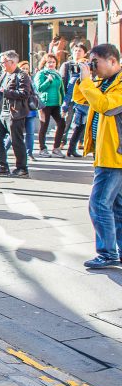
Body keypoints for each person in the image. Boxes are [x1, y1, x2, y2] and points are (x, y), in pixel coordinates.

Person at [71, 44, 122, 268]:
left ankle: (107, 253)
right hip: (107, 154)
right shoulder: (105, 82)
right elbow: (81, 100)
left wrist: (87, 81)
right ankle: (115, 250)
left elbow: (103, 106)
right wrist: (83, 79)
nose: (94, 67)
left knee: (99, 204)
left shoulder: (119, 86)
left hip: (114, 157)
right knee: (117, 207)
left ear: (112, 61)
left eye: (96, 62)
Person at [0, 51, 34, 178]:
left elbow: (24, 93)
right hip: (1, 113)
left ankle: (22, 168)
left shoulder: (22, 75)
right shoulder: (3, 74)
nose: (1, 64)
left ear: (12, 62)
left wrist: (6, 92)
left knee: (17, 141)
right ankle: (2, 166)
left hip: (15, 113)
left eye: (3, 62)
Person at [34, 54, 67, 158]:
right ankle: (42, 148)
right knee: (44, 126)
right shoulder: (41, 74)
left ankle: (56, 148)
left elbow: (61, 89)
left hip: (57, 104)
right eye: (49, 62)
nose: (51, 64)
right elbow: (39, 88)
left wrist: (64, 103)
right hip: (45, 104)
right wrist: (48, 81)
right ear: (44, 63)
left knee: (62, 124)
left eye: (53, 62)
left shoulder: (57, 74)